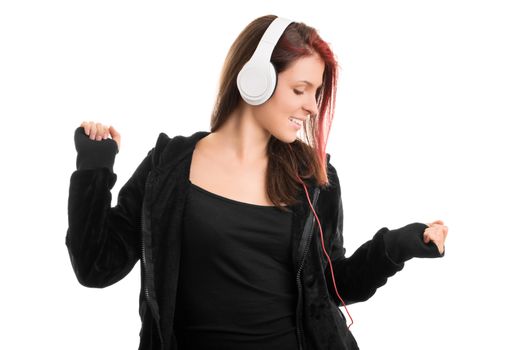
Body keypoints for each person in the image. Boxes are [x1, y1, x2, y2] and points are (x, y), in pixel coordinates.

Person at [66, 15, 448, 350]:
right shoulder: (167, 168)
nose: (313, 107)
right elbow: (96, 266)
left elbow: (333, 286)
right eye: (300, 90)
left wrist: (395, 247)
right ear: (254, 79)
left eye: (316, 93)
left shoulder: (313, 178)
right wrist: (94, 168)